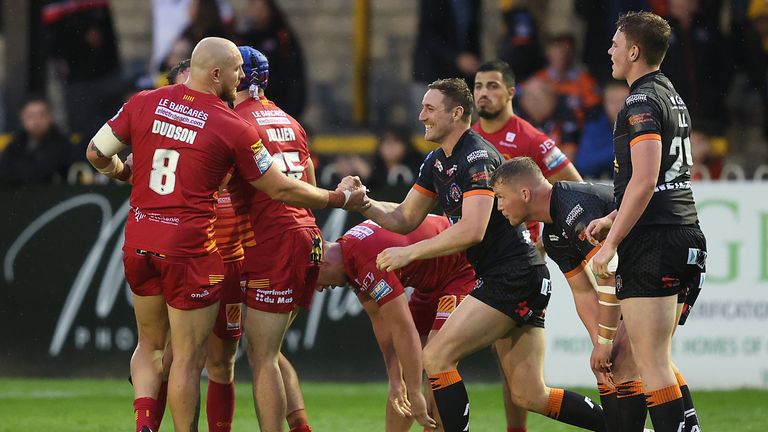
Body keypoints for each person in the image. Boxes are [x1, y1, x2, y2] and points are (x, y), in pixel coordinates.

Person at [85, 37, 366, 432]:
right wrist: (337, 198)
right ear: (216, 74)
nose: (242, 78)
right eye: (236, 70)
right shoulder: (233, 124)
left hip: (141, 240)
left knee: (151, 344)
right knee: (195, 358)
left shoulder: (144, 101)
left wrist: (120, 172)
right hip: (195, 249)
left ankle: (144, 423)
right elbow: (282, 188)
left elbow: (95, 153)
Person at [344, 78, 605, 432]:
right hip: (518, 276)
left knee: (436, 358)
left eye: (429, 108)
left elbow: (473, 229)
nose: (421, 115)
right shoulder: (437, 161)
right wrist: (364, 203)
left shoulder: (477, 157)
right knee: (530, 394)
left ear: (457, 113)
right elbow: (404, 218)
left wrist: (411, 255)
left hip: (511, 275)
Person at [590, 11, 707, 432]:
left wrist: (611, 244)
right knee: (655, 357)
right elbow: (660, 182)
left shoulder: (639, 101)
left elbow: (645, 180)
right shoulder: (670, 94)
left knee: (650, 363)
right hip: (683, 235)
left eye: (616, 44)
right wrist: (612, 215)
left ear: (634, 51)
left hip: (655, 241)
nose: (610, 51)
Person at [471, 59, 584, 431]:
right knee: (496, 355)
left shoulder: (532, 139)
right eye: (478, 86)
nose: (484, 93)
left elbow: (572, 185)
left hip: (519, 258)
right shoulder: (468, 138)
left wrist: (549, 237)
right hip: (477, 257)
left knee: (505, 357)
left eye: (492, 86)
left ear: (510, 91)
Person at [226, 45, 321, 432]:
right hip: (305, 235)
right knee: (271, 349)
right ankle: (300, 426)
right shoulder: (288, 119)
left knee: (261, 355)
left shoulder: (236, 120)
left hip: (272, 240)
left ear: (241, 77)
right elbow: (308, 178)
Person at [316, 215, 475, 431]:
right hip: (430, 283)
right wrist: (396, 381)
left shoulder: (366, 261)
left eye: (313, 282)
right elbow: (382, 323)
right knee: (402, 383)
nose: (319, 289)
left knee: (437, 360)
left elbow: (403, 328)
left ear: (322, 264)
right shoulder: (349, 255)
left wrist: (415, 391)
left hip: (461, 269)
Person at [0, 97, 72, 186]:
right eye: (31, 116)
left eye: (42, 115)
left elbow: (44, 173)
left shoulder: (62, 144)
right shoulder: (15, 144)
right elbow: (4, 173)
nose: (36, 121)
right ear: (22, 118)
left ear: (50, 117)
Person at [575, 81, 630, 179]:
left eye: (622, 101)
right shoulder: (595, 126)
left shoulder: (643, 125)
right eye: (612, 101)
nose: (617, 106)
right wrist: (622, 148)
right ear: (604, 104)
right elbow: (583, 164)